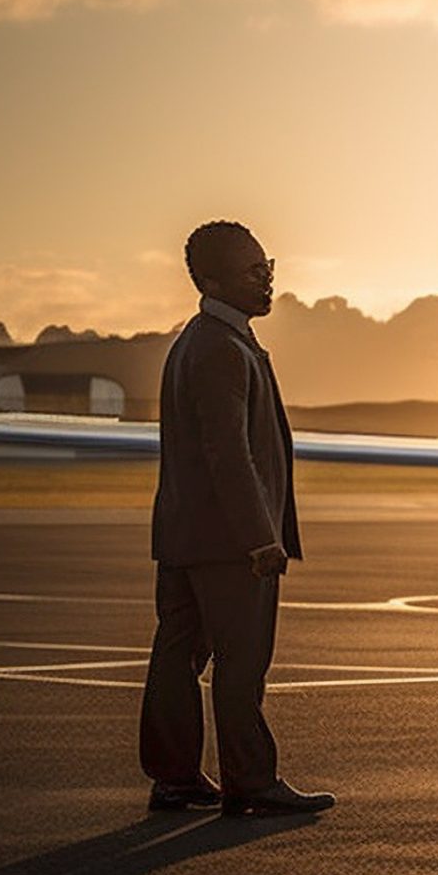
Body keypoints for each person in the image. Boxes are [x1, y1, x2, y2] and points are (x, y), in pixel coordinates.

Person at [141, 221, 335, 817]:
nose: (268, 278)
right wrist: (260, 537)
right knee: (241, 661)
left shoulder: (195, 343)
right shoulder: (223, 350)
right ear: (213, 280)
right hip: (229, 544)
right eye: (254, 271)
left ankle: (175, 777)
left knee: (178, 658)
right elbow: (230, 453)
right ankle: (250, 781)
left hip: (184, 535)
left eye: (267, 265)